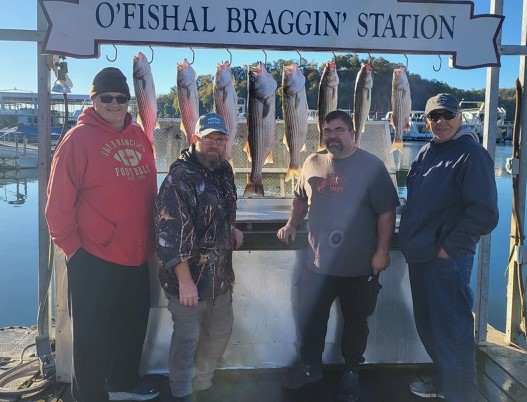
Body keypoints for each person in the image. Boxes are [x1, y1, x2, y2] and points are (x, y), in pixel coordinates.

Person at [45, 67, 159, 401]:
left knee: (131, 328)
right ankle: (90, 395)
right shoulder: (77, 140)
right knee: (91, 338)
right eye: (106, 97)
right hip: (93, 257)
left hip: (137, 255)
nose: (114, 104)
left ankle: (123, 382)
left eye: (121, 97)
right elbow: (56, 207)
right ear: (93, 99)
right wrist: (75, 252)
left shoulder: (138, 135)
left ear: (129, 100)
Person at [277, 110, 400, 402]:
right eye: (327, 131)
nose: (332, 136)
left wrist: (382, 251)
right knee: (312, 319)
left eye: (339, 130)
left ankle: (351, 372)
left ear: (352, 133)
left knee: (356, 323)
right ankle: (311, 367)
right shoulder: (311, 162)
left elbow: (386, 211)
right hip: (317, 263)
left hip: (359, 265)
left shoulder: (372, 166)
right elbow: (300, 199)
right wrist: (291, 224)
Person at [399, 93, 499, 402]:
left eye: (447, 115)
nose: (441, 121)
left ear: (459, 117)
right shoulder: (426, 152)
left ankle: (462, 395)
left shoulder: (472, 154)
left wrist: (448, 249)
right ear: (426, 120)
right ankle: (445, 382)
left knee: (452, 332)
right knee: (429, 327)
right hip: (420, 255)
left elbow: (484, 214)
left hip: (446, 259)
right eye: (434, 116)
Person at [155, 112, 244, 402]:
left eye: (220, 139)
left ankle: (203, 384)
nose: (214, 144)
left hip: (220, 277)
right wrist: (185, 282)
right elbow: (169, 235)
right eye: (208, 139)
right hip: (187, 280)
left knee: (220, 332)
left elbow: (225, 207)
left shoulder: (224, 169)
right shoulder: (178, 179)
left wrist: (231, 228)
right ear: (195, 139)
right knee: (187, 339)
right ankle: (181, 390)